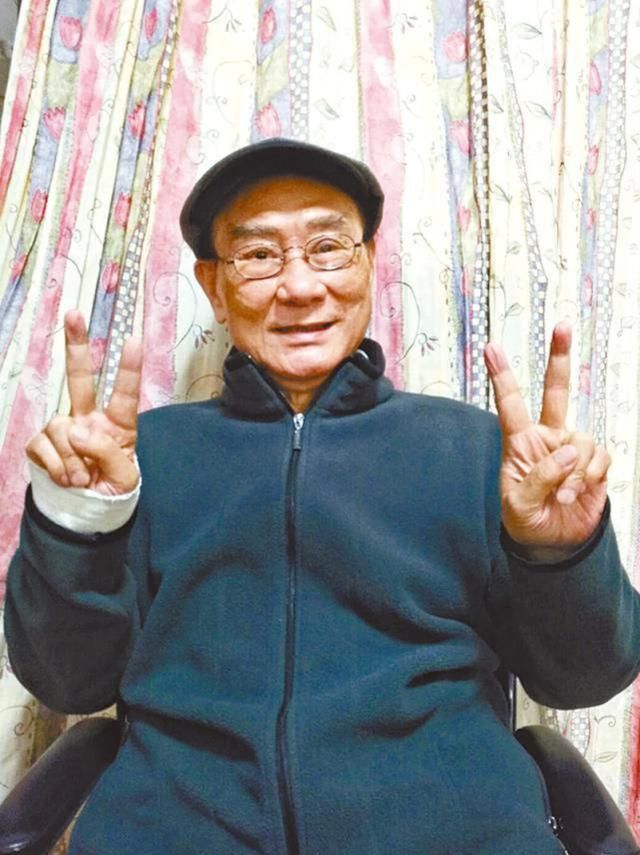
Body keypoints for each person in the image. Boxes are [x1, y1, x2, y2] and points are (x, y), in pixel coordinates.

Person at [4, 139, 640, 855]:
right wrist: (80, 522)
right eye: (258, 255)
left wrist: (559, 552)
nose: (301, 286)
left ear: (369, 264)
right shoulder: (136, 458)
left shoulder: (482, 452)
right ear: (213, 286)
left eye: (329, 247)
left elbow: (585, 677)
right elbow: (66, 682)